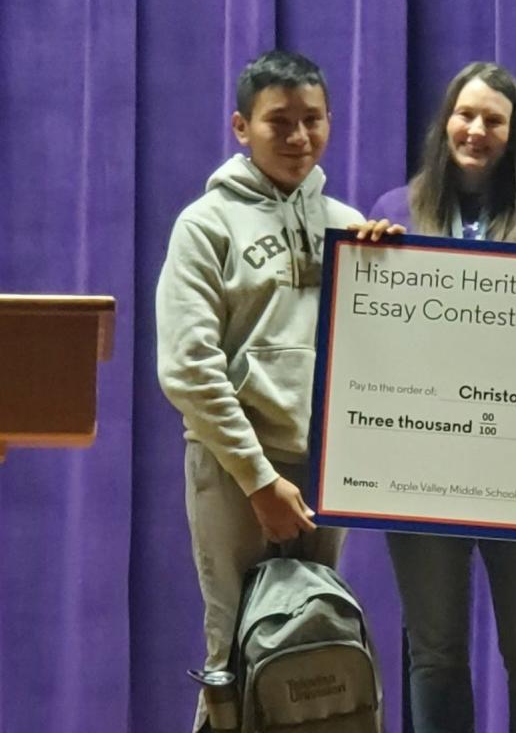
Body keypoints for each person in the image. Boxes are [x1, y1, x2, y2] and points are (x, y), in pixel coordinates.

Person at [355, 61, 516, 733]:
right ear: (445, 122)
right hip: (422, 470)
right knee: (435, 656)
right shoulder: (393, 213)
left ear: (514, 135)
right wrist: (366, 272)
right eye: (466, 115)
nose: (477, 130)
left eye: (494, 120)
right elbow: (367, 339)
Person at [155, 49, 363, 732]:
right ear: (242, 127)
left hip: (328, 472)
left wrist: (391, 271)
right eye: (281, 122)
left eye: (314, 120)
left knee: (315, 648)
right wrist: (257, 479)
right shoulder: (205, 225)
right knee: (236, 653)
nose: (300, 137)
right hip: (237, 472)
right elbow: (189, 367)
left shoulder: (350, 225)